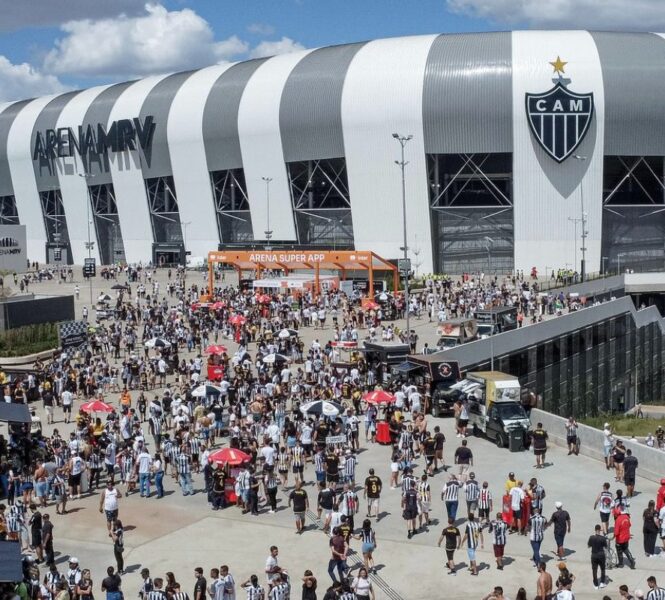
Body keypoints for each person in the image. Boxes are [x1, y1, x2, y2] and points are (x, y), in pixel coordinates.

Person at [588, 524, 608, 589]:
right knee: (602, 569)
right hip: (601, 555)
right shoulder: (603, 538)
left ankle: (596, 585)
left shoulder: (591, 537)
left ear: (595, 530)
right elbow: (606, 546)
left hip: (594, 555)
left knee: (594, 570)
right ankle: (602, 583)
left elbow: (589, 546)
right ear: (600, 530)